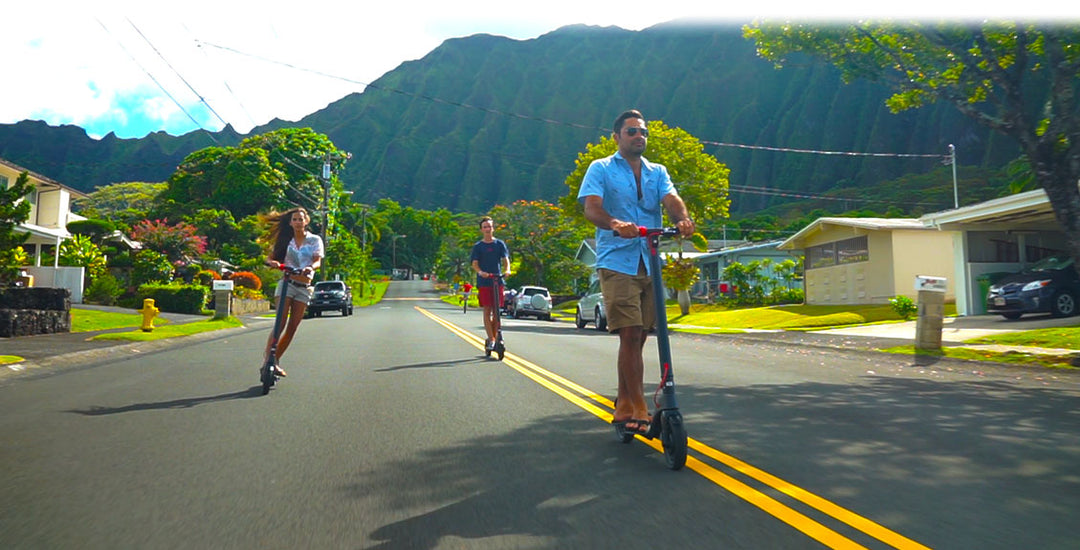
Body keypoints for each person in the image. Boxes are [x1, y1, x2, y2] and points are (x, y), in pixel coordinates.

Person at [578, 109, 695, 434]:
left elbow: (671, 199)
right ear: (617, 137)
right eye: (631, 132)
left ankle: (624, 401)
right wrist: (615, 223)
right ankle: (639, 405)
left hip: (650, 260)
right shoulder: (600, 168)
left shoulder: (657, 171)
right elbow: (592, 207)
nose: (638, 136)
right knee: (629, 333)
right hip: (617, 260)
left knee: (640, 336)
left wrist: (681, 219)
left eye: (642, 132)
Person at [262, 207, 323, 377]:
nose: (298, 222)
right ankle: (268, 360)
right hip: (287, 283)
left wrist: (310, 267)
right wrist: (273, 263)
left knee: (292, 328)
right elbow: (270, 258)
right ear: (290, 223)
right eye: (295, 219)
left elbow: (317, 260)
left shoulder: (314, 240)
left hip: (304, 287)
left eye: (300, 219)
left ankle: (275, 360)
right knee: (279, 323)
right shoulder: (285, 241)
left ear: (306, 221)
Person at [470, 216, 511, 351]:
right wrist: (480, 272)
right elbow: (474, 264)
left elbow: (505, 259)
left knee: (497, 311)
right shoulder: (478, 247)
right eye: (485, 227)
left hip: (497, 280)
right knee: (487, 310)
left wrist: (507, 270)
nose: (488, 229)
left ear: (493, 228)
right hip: (484, 281)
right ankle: (492, 339)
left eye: (490, 226)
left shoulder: (499, 244)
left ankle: (495, 336)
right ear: (482, 230)